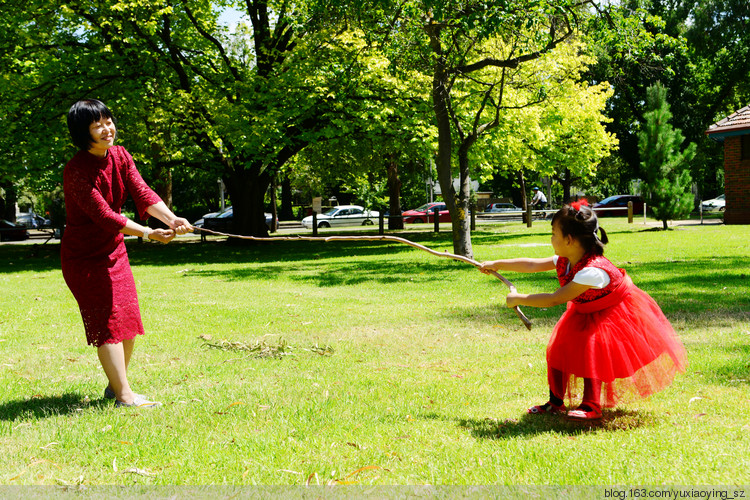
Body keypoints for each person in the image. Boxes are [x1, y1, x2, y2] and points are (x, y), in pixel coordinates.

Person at [479, 199, 686, 420]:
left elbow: (555, 299)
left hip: (613, 312)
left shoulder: (592, 271)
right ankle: (555, 402)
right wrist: (497, 263)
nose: (551, 238)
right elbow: (532, 264)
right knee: (559, 347)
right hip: (586, 308)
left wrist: (518, 299)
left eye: (553, 234)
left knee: (592, 349)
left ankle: (591, 405)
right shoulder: (566, 258)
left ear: (569, 239)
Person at [61, 99, 193, 408]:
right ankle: (124, 397)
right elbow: (106, 217)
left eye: (108, 121)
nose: (107, 129)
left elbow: (142, 192)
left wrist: (171, 219)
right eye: (98, 126)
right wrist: (148, 233)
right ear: (84, 133)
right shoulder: (76, 171)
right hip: (84, 258)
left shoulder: (119, 155)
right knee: (108, 323)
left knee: (127, 320)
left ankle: (114, 387)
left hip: (114, 251)